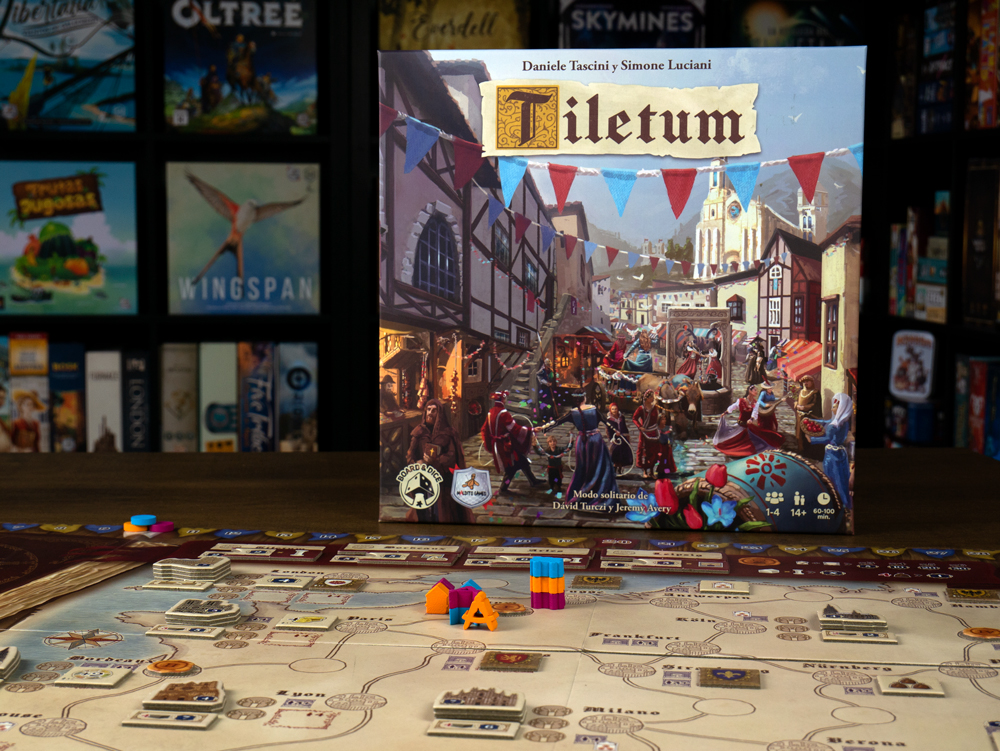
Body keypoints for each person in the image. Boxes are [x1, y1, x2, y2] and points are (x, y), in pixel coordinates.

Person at [405, 399, 471, 523]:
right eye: (428, 409)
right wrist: (416, 463)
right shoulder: (419, 432)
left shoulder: (448, 433)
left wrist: (435, 461)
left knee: (441, 509)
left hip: (442, 476)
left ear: (440, 413)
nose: (430, 413)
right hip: (422, 476)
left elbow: (451, 455)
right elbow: (410, 454)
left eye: (434, 410)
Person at [541, 402, 620, 506]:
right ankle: (598, 493)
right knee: (599, 467)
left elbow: (557, 421)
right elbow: (606, 422)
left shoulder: (572, 412)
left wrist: (544, 428)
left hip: (581, 443)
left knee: (582, 469)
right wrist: (615, 430)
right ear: (585, 398)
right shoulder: (593, 409)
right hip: (595, 441)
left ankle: (581, 493)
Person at [481, 391, 539, 494]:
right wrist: (531, 430)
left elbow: (485, 429)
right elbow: (515, 429)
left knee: (521, 460)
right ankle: (503, 488)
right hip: (505, 445)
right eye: (505, 398)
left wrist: (489, 443)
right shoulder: (504, 413)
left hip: (497, 444)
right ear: (503, 399)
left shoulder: (490, 412)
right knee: (510, 466)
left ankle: (533, 480)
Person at [809, 393, 854, 511]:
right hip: (841, 454)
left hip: (832, 455)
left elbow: (827, 439)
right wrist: (812, 420)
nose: (832, 408)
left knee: (831, 478)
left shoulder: (833, 426)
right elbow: (826, 421)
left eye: (834, 407)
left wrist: (812, 439)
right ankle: (844, 503)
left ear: (840, 409)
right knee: (841, 479)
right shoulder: (844, 422)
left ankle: (834, 504)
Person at [712, 385, 783, 457]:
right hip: (740, 426)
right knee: (732, 441)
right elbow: (733, 407)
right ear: (750, 391)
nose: (756, 392)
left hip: (748, 427)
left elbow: (755, 412)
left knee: (753, 444)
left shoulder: (755, 403)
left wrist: (751, 419)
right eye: (755, 390)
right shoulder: (741, 401)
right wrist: (725, 412)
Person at [632, 389, 662, 480]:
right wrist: (640, 426)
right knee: (645, 451)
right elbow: (634, 418)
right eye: (651, 397)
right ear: (647, 398)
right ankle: (645, 471)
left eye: (653, 397)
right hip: (645, 433)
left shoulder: (655, 408)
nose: (653, 399)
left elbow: (657, 419)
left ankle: (652, 471)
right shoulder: (641, 409)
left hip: (653, 432)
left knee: (653, 452)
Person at [793, 375, 823, 454]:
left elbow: (815, 404)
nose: (805, 383)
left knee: (807, 435)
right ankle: (800, 450)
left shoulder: (815, 392)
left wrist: (804, 407)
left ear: (811, 382)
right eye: (804, 382)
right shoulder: (801, 392)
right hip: (800, 417)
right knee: (799, 435)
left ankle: (809, 453)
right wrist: (796, 405)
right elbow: (797, 400)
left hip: (809, 417)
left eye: (807, 381)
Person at [605, 401, 632, 475]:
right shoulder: (609, 420)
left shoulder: (621, 418)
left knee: (623, 452)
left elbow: (624, 427)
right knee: (615, 452)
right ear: (610, 410)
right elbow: (608, 431)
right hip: (615, 439)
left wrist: (627, 436)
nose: (614, 410)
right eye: (613, 409)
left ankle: (620, 467)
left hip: (622, 437)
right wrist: (611, 439)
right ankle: (614, 468)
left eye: (615, 409)